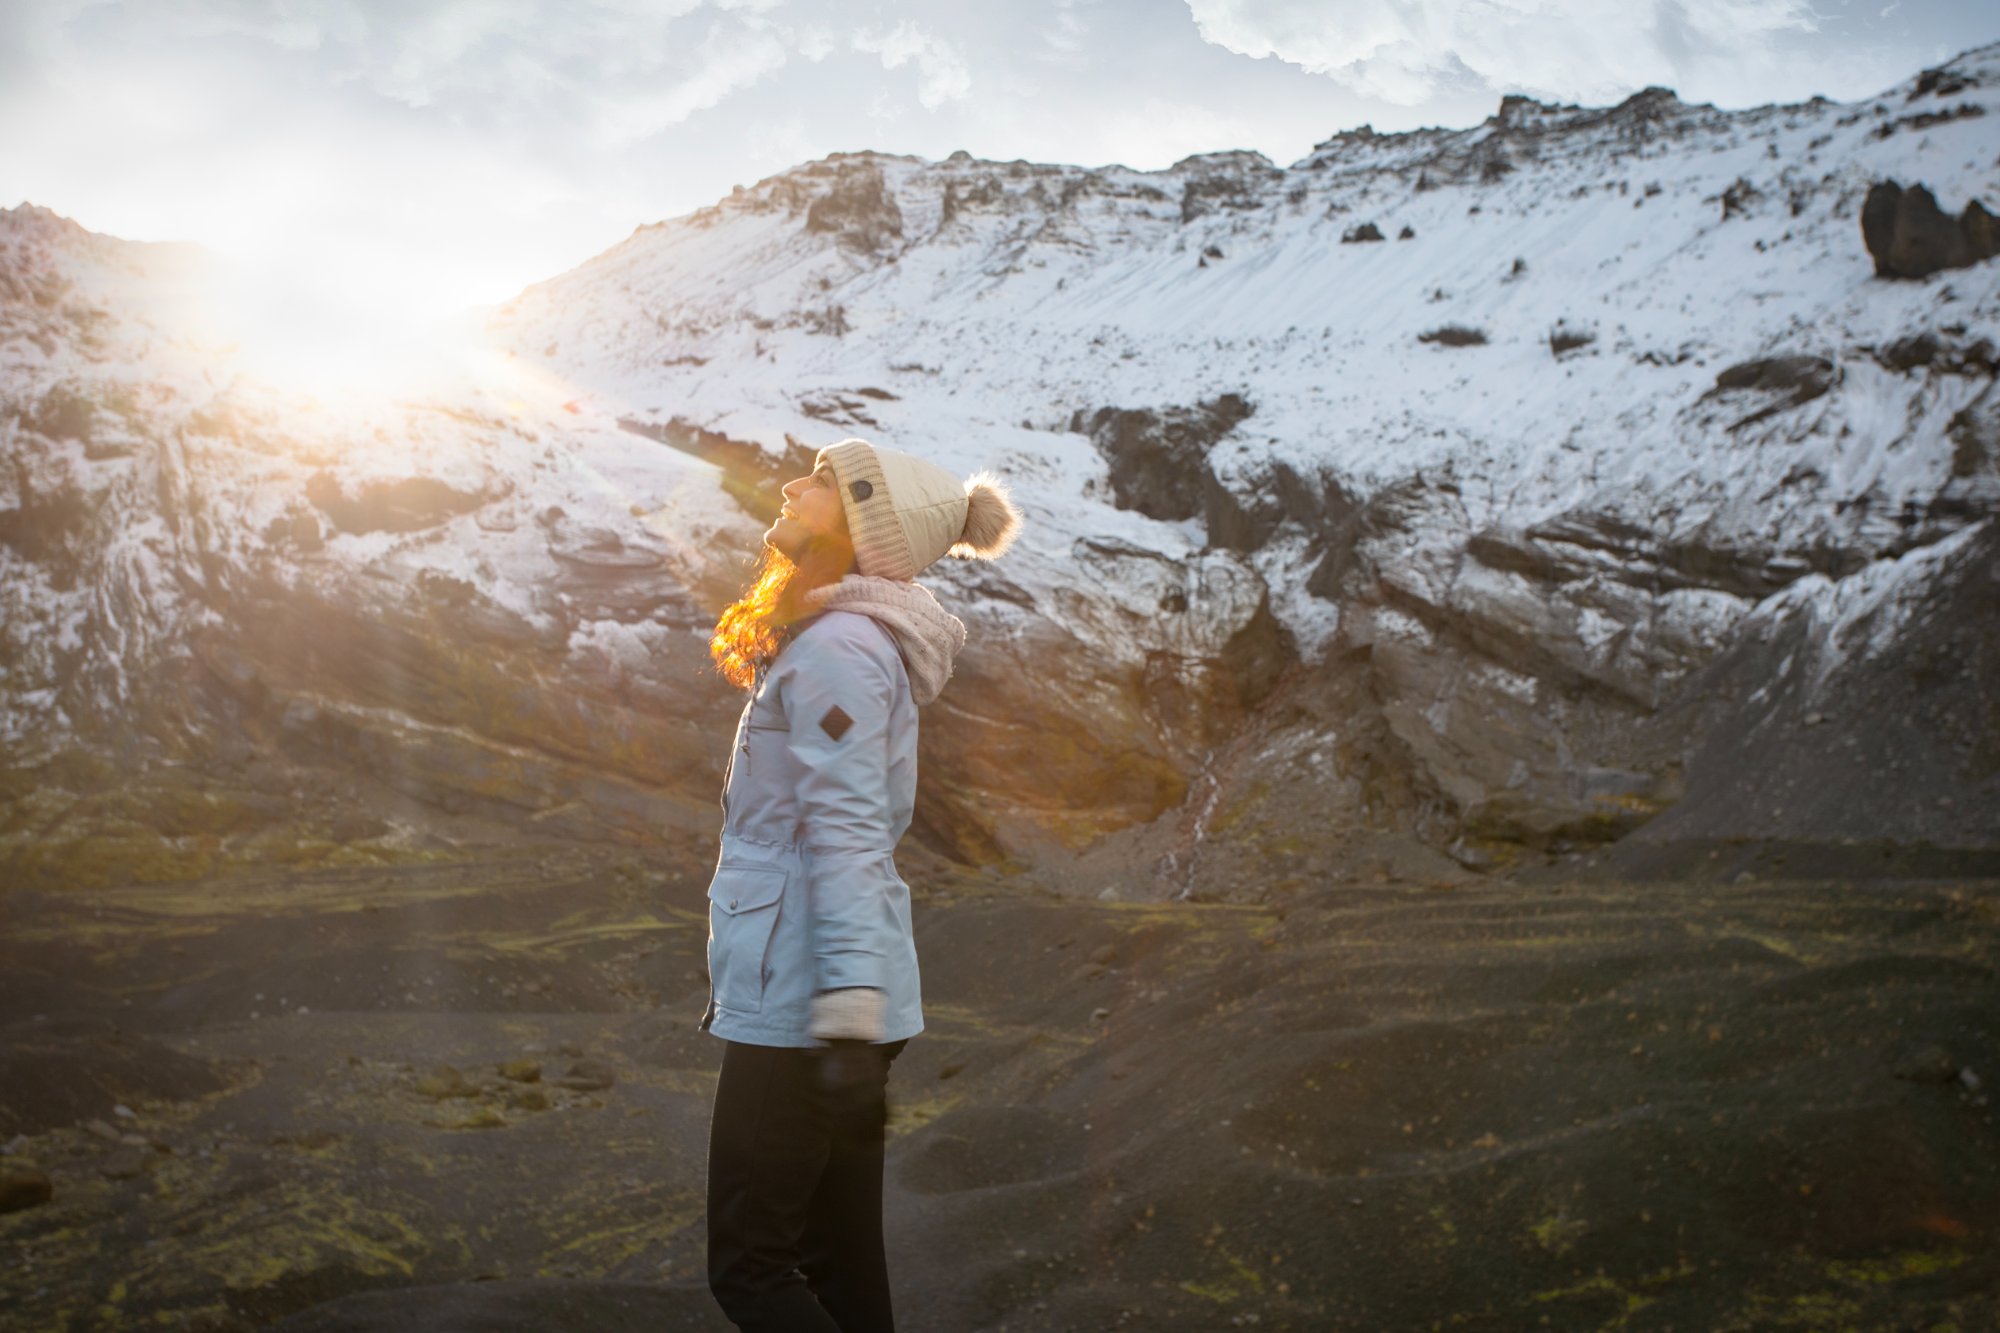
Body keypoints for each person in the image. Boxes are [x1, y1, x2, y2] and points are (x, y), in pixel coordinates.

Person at [699, 436, 1023, 1332]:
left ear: (862, 528)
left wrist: (843, 1014)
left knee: (751, 1267)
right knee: (836, 1266)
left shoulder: (839, 650)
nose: (793, 486)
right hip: (824, 986)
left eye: (823, 484)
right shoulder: (832, 635)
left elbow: (841, 831)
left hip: (807, 993)